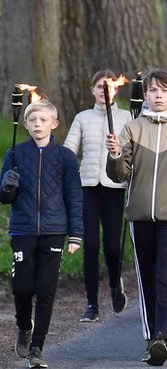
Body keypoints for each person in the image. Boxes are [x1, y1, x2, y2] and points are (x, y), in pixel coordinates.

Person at [106, 69, 167, 366]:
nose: (159, 95)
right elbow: (119, 175)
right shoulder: (132, 128)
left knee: (165, 277)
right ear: (145, 95)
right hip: (139, 216)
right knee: (146, 277)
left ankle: (162, 335)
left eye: (164, 90)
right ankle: (151, 338)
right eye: (153, 90)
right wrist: (115, 155)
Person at [2, 99, 83, 369]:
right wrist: (7, 186)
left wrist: (76, 233)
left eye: (43, 120)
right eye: (33, 120)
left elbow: (74, 196)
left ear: (54, 124)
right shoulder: (14, 153)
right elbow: (4, 197)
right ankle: (24, 325)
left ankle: (37, 347)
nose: (38, 124)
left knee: (46, 289)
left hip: (54, 231)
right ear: (25, 124)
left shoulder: (65, 158)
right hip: (23, 228)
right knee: (22, 287)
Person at [63, 70, 132, 322]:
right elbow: (70, 149)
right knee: (90, 245)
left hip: (115, 188)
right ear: (92, 90)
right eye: (99, 87)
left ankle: (115, 284)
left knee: (112, 246)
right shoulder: (83, 117)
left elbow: (131, 153)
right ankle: (92, 304)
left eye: (109, 87)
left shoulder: (126, 117)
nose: (104, 91)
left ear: (116, 89)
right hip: (88, 186)